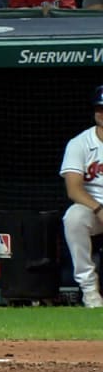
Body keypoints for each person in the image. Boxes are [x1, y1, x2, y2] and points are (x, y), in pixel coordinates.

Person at [60, 85, 103, 308]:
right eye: (99, 108)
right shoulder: (80, 143)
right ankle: (90, 291)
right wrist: (99, 209)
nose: (101, 112)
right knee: (73, 218)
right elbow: (74, 189)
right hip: (94, 209)